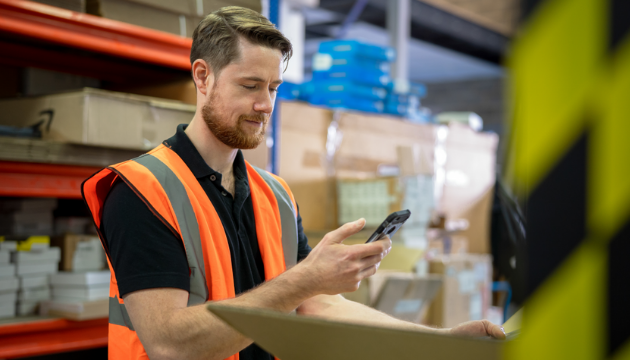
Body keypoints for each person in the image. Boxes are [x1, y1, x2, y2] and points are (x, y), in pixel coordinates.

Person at [82, 6, 505, 360]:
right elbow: (169, 343)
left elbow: (316, 305)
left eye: (273, 87)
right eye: (249, 86)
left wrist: (441, 342)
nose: (265, 104)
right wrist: (307, 278)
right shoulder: (140, 191)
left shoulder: (276, 196)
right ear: (202, 77)